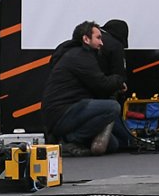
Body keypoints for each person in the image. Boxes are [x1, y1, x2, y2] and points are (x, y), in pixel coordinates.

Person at [40, 20, 132, 156]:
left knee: (112, 144)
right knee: (112, 107)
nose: (102, 42)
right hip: (63, 112)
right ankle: (71, 139)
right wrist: (119, 81)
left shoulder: (75, 54)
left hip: (66, 111)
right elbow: (101, 84)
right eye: (98, 38)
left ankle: (70, 138)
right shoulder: (80, 56)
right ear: (86, 39)